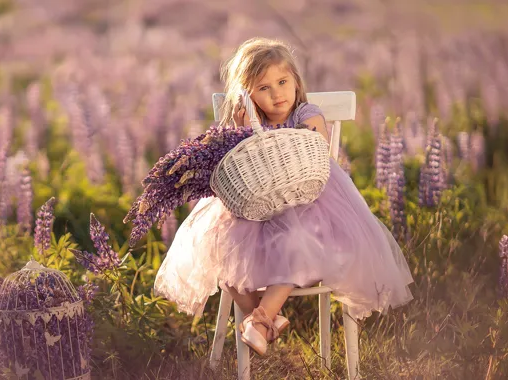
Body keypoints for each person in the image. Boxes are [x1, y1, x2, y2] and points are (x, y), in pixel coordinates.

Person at [154, 37, 414, 355]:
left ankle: (261, 319)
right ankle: (263, 321)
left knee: (295, 242)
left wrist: (304, 132)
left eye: (282, 82)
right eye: (264, 88)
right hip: (255, 203)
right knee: (222, 252)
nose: (278, 94)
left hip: (311, 201)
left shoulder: (306, 113)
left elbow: (314, 137)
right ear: (248, 96)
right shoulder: (251, 123)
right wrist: (243, 128)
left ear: (295, 81)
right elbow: (239, 164)